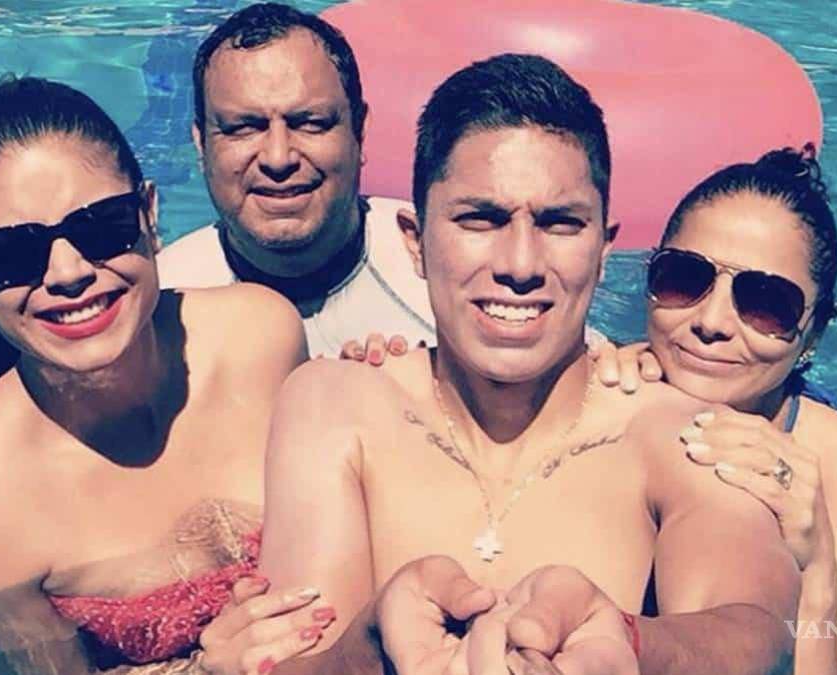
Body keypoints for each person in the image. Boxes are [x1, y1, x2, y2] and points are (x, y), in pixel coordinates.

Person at [257, 54, 800, 674]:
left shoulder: (679, 436)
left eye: (559, 224)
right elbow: (293, 658)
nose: (520, 265)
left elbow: (760, 632)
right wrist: (370, 648)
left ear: (603, 249)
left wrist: (632, 642)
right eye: (480, 219)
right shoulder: (335, 405)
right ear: (414, 241)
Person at [0, 76, 384, 674]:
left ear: (149, 213)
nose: (68, 272)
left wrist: (385, 400)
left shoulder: (260, 338)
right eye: (13, 253)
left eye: (101, 226)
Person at [631, 146, 837, 674]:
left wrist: (818, 568)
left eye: (766, 303)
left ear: (813, 334)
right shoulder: (605, 391)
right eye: (683, 278)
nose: (712, 322)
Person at [156, 3, 435, 357]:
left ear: (359, 131)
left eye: (310, 123)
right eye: (243, 127)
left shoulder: (442, 276)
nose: (278, 158)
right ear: (201, 144)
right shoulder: (156, 307)